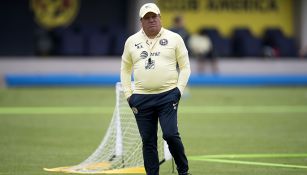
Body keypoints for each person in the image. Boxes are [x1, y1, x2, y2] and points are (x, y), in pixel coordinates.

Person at [120, 3, 191, 175]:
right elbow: (125, 69)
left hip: (168, 96)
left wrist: (179, 90)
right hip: (141, 98)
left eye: (154, 17)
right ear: (141, 21)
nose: (151, 20)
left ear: (160, 18)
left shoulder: (175, 38)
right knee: (148, 141)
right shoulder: (131, 41)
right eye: (147, 18)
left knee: (170, 135)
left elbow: (185, 66)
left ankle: (183, 170)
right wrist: (129, 95)